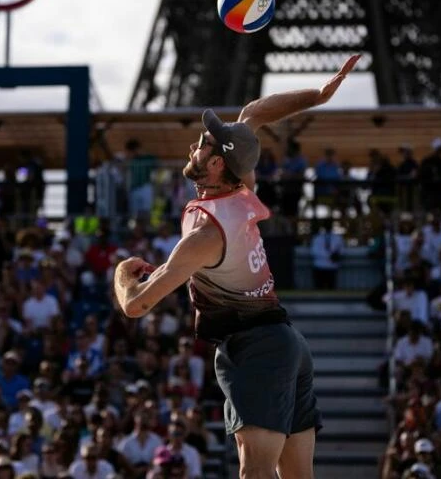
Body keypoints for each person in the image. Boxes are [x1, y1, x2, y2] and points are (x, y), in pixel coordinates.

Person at [113, 54, 361, 478]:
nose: (196, 143)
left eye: (204, 144)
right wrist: (318, 95)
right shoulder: (241, 183)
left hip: (256, 349)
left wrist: (121, 275)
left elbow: (135, 306)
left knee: (255, 473)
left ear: (214, 165)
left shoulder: (204, 238)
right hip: (287, 344)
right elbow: (255, 113)